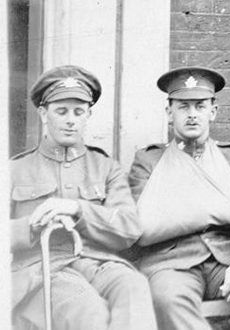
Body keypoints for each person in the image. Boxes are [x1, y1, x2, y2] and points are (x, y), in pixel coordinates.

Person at [129, 67, 230, 330]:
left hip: (228, 258)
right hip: (172, 263)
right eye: (183, 106)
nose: (192, 114)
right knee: (168, 300)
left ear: (213, 112)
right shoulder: (148, 162)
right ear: (169, 113)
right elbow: (137, 226)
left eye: (200, 106)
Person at [10, 65, 156, 330]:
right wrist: (32, 225)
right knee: (88, 312)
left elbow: (128, 226)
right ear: (44, 113)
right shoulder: (14, 169)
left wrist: (77, 208)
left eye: (78, 112)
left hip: (96, 261)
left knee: (134, 286)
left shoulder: (105, 167)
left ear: (88, 114)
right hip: (42, 269)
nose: (70, 120)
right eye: (61, 111)